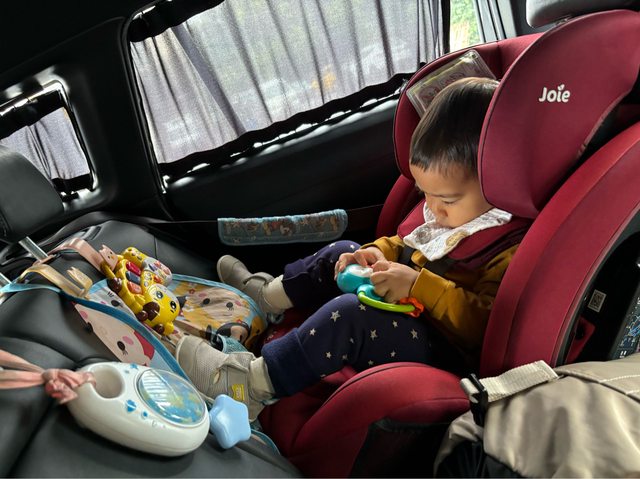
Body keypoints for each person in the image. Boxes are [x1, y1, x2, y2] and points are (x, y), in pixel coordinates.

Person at [175, 77, 519, 421]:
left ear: (497, 180)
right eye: (424, 193)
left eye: (446, 199)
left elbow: (483, 327)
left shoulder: (505, 247)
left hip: (440, 347)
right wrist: (375, 253)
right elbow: (409, 244)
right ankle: (268, 299)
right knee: (342, 250)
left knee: (351, 315)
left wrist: (418, 286)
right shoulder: (453, 210)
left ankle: (250, 386)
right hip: (406, 306)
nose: (433, 208)